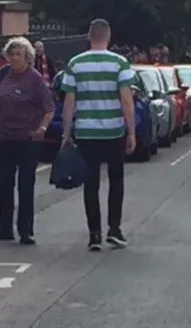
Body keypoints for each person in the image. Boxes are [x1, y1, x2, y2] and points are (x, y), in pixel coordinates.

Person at [60, 18, 136, 251]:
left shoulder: (75, 64)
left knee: (90, 184)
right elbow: (126, 99)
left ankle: (94, 234)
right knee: (116, 180)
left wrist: (66, 132)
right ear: (109, 36)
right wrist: (131, 130)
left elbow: (69, 102)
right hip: (113, 130)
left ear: (89, 36)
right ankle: (114, 229)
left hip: (86, 131)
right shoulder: (120, 63)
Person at [0, 37, 55, 245]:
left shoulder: (34, 80)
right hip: (5, 136)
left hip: (27, 138)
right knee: (4, 183)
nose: (14, 58)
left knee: (25, 184)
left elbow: (49, 108)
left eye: (18, 55)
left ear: (27, 57)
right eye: (11, 54)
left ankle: (26, 230)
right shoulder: (3, 74)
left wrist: (42, 128)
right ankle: (4, 227)